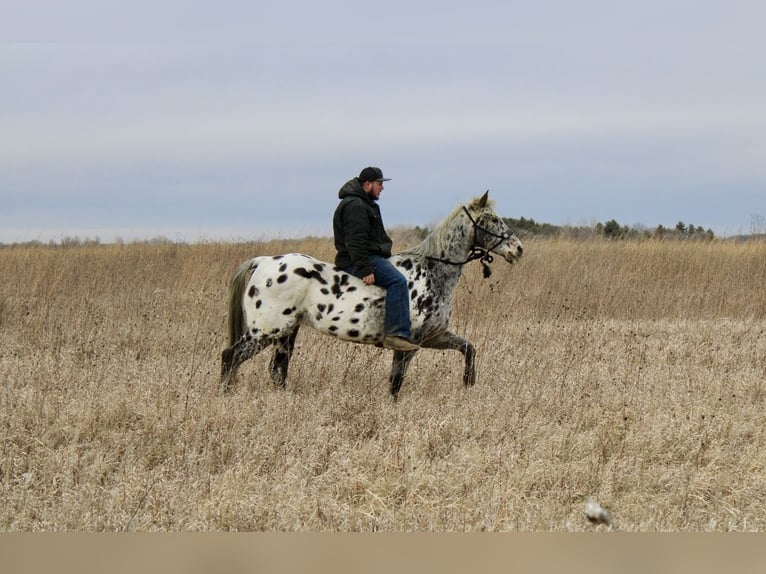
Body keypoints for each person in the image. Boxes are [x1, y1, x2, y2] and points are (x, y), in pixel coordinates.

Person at [333, 167, 419, 352]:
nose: (382, 188)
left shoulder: (363, 203)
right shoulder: (356, 206)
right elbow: (355, 242)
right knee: (398, 281)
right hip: (358, 260)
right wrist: (365, 269)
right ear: (367, 184)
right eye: (380, 184)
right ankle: (395, 335)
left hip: (369, 256)